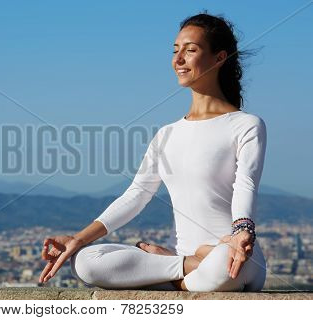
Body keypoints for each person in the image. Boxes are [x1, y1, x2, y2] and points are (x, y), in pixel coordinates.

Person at [39, 12, 267, 292]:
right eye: (175, 50)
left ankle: (179, 273)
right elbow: (136, 195)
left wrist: (241, 231)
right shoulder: (167, 134)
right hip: (183, 260)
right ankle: (185, 267)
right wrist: (79, 239)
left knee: (223, 262)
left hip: (234, 254)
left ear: (219, 58)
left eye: (191, 50)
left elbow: (246, 184)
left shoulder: (245, 125)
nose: (178, 59)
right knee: (86, 261)